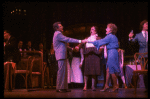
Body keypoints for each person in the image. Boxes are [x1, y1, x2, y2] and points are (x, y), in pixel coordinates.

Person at [52, 22, 86, 93]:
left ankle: (63, 87)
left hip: (62, 55)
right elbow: (68, 39)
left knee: (64, 72)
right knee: (61, 72)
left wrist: (72, 49)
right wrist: (80, 41)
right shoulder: (58, 34)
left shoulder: (58, 34)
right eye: (60, 26)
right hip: (60, 56)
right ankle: (60, 88)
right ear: (57, 28)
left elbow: (64, 45)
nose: (62, 27)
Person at [87, 23, 121, 92]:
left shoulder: (109, 36)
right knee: (108, 70)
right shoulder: (113, 36)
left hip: (111, 53)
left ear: (111, 30)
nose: (106, 29)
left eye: (107, 28)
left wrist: (89, 41)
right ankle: (106, 85)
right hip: (113, 52)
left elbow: (101, 41)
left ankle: (115, 86)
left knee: (112, 69)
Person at [128, 19, 148, 92]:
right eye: (146, 24)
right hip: (142, 56)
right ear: (142, 25)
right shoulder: (138, 35)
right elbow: (132, 43)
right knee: (144, 72)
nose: (147, 25)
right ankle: (147, 87)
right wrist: (130, 37)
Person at [82, 26, 104, 91]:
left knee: (93, 71)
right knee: (86, 70)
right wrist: (77, 47)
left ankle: (93, 86)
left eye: (93, 29)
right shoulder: (87, 38)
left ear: (96, 31)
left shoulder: (98, 38)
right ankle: (85, 85)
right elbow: (81, 44)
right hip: (88, 54)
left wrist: (99, 52)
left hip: (95, 54)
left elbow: (101, 46)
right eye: (91, 29)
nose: (91, 30)